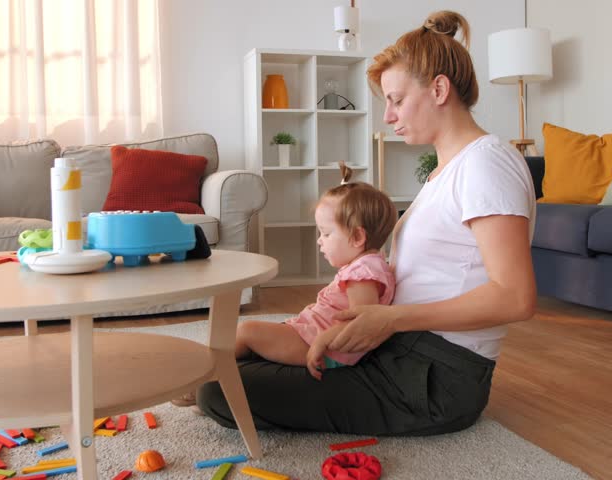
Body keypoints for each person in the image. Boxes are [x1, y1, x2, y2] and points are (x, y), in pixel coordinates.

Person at [196, 10, 537, 436]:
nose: (388, 117)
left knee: (219, 390)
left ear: (439, 89)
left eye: (395, 100)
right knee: (240, 356)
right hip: (401, 348)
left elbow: (515, 297)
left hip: (437, 379)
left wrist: (390, 320)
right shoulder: (444, 172)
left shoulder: (486, 165)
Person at [172, 163, 397, 408]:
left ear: (357, 237)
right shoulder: (366, 267)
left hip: (325, 350)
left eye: (326, 234)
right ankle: (215, 378)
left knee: (247, 332)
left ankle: (198, 377)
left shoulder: (363, 272)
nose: (320, 241)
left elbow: (363, 321)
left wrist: (323, 342)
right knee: (257, 341)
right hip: (320, 341)